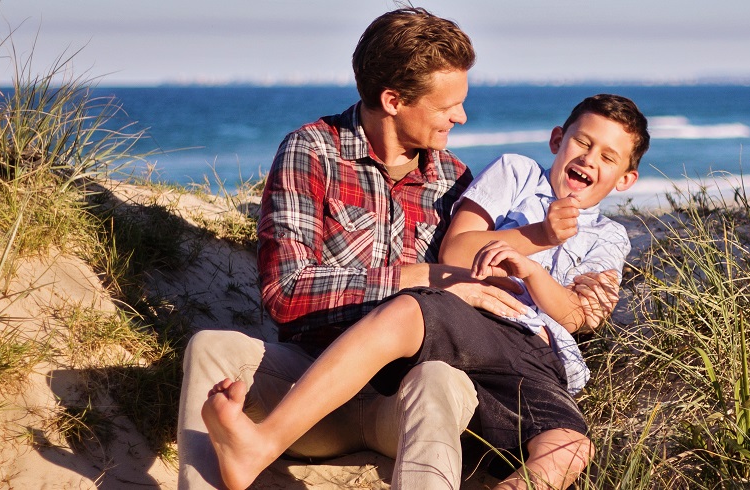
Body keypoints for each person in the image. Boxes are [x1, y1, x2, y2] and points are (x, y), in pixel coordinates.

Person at [177, 8, 618, 489]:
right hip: (309, 384)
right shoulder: (312, 152)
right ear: (393, 100)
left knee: (438, 380)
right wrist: (423, 277)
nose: (461, 116)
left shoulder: (454, 180)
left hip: (404, 398)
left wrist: (574, 285)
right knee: (209, 349)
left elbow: (485, 300)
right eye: (448, 105)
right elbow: (287, 294)